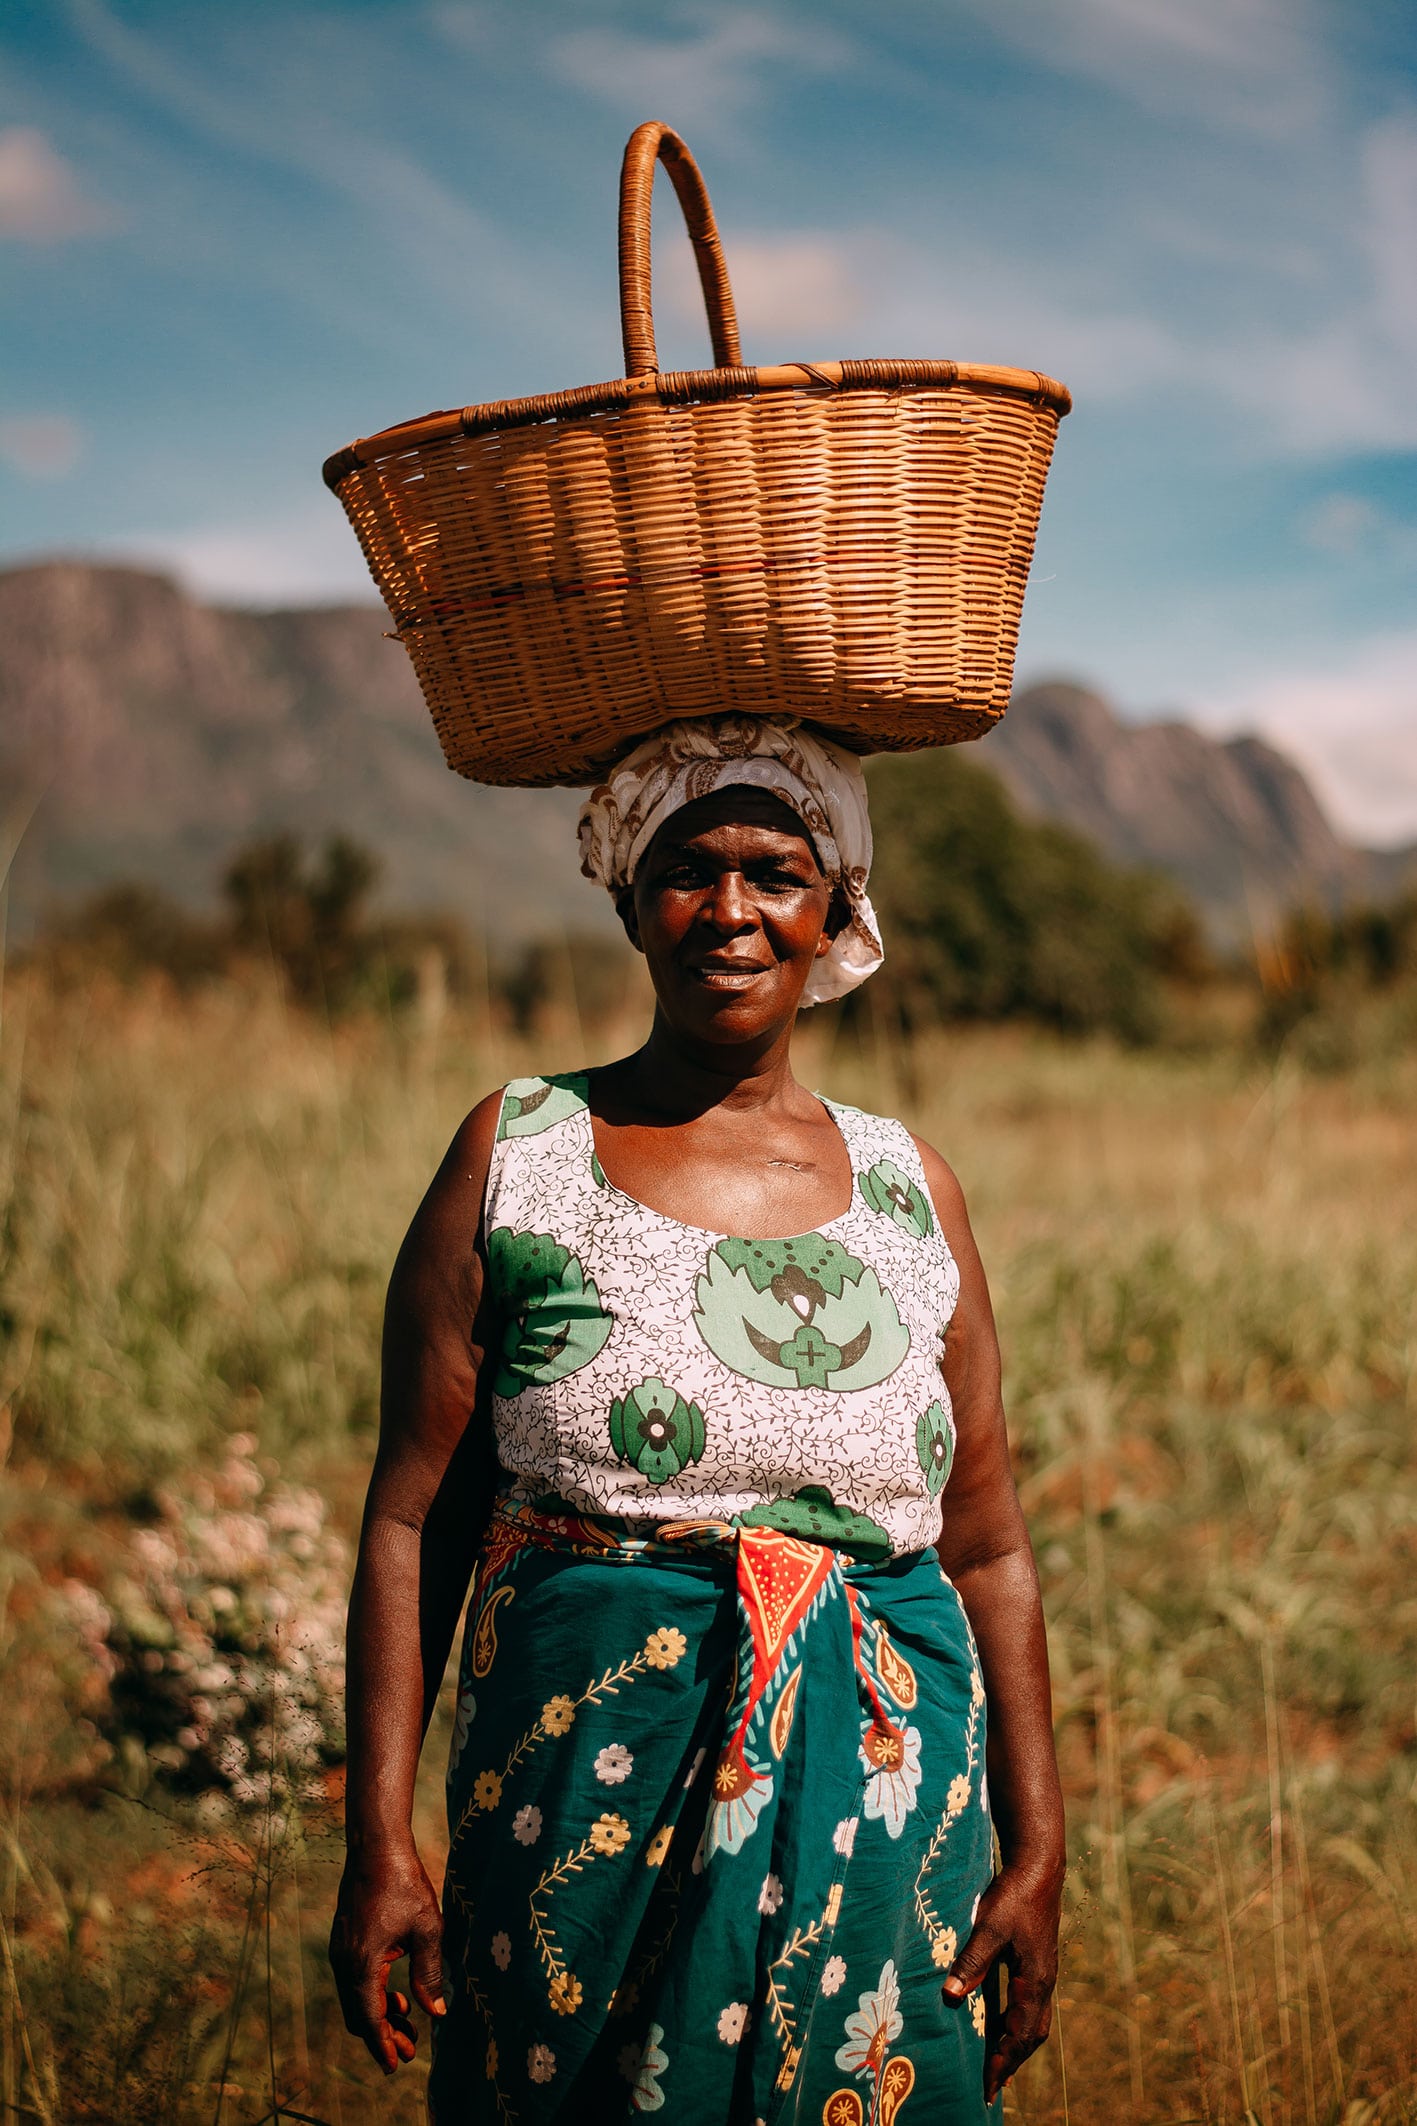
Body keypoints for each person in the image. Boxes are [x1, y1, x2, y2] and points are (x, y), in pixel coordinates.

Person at [329, 716, 1065, 2123]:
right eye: (687, 868)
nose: (730, 909)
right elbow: (412, 1519)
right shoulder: (520, 1152)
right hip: (579, 1805)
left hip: (886, 1818)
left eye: (775, 872)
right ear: (626, 896)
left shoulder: (914, 1189)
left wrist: (1035, 1847)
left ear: (834, 906)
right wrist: (379, 1842)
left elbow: (985, 1547)